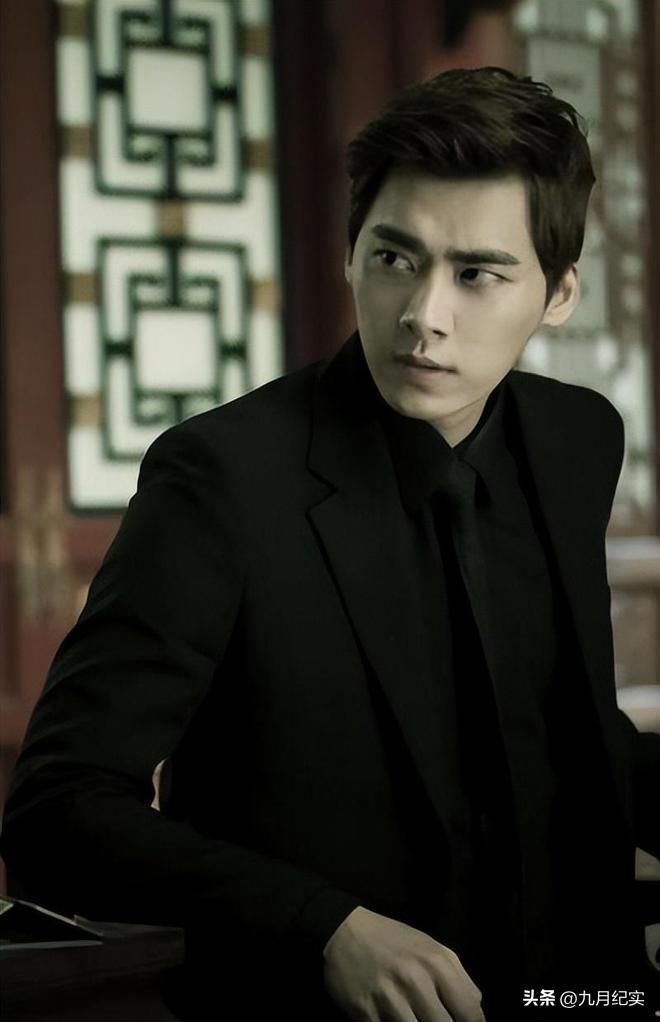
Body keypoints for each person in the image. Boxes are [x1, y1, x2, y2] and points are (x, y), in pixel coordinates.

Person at [2, 67, 659, 1022]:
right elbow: (57, 810)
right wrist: (321, 927)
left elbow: (563, 737)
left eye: (477, 274)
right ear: (352, 254)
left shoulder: (576, 439)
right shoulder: (223, 477)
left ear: (558, 294)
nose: (423, 315)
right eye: (394, 257)